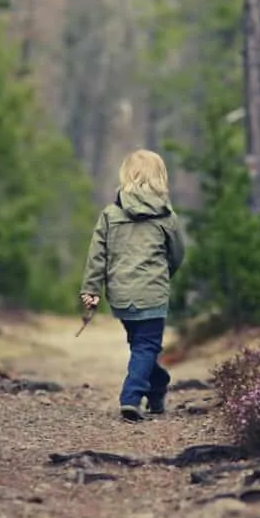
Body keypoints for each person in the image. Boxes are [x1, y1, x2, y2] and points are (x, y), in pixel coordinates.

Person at [79, 149, 186, 422]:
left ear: (126, 176)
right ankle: (131, 397)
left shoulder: (110, 214)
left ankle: (158, 386)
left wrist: (91, 289)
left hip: (121, 294)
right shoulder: (166, 217)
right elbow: (176, 255)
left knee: (141, 345)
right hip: (153, 293)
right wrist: (163, 274)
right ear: (160, 178)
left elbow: (97, 256)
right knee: (146, 347)